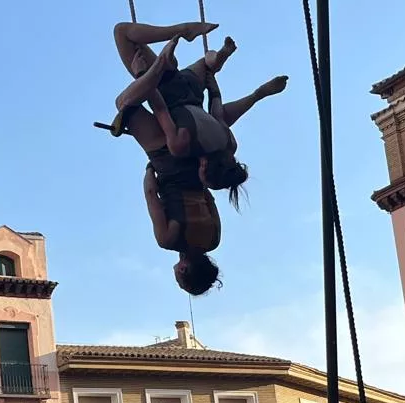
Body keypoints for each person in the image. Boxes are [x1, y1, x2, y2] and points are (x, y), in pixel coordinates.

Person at [111, 21, 288, 296]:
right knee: (125, 102)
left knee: (198, 78)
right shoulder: (168, 239)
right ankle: (175, 42)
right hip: (165, 152)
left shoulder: (214, 237)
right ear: (183, 271)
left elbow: (206, 190)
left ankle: (210, 63)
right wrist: (144, 76)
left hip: (194, 132)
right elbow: (150, 193)